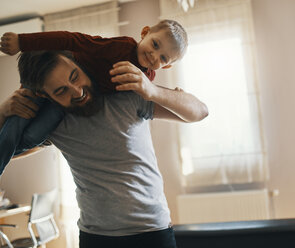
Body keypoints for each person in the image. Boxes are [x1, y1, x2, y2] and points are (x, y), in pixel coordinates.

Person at [0, 50, 208, 248]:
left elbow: (199, 112)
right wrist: (2, 113)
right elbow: (8, 153)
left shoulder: (126, 94)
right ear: (45, 96)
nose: (77, 91)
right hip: (96, 238)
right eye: (61, 90)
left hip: (152, 231)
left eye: (75, 76)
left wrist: (152, 90)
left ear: (79, 64)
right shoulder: (53, 125)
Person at [0, 19, 188, 174]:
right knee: (12, 131)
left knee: (32, 137)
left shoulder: (146, 78)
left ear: (168, 66)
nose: (154, 56)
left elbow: (158, 98)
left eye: (163, 59)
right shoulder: (119, 47)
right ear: (145, 32)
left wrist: (172, 96)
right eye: (155, 45)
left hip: (61, 103)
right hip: (46, 76)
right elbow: (71, 39)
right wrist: (22, 42)